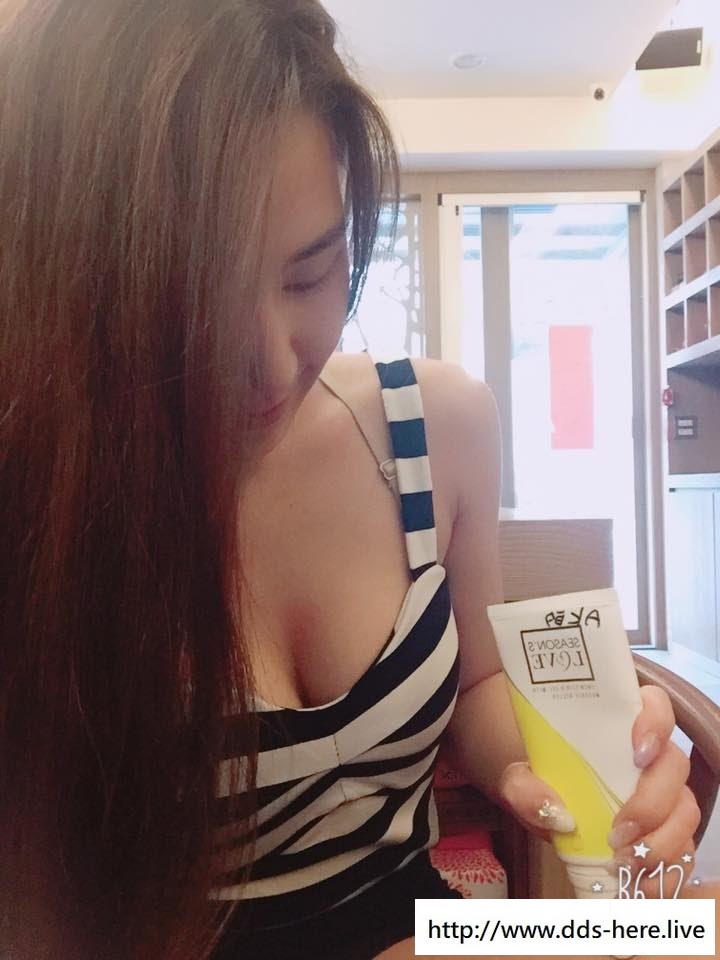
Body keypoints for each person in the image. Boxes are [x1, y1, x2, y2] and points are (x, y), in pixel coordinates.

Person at [0, 1, 702, 959]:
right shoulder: (38, 496)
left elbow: (477, 682)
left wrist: (581, 769)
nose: (272, 364)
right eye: (190, 301)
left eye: (311, 275)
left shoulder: (437, 424)